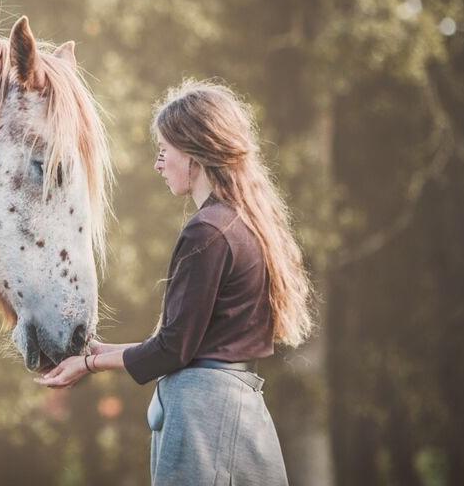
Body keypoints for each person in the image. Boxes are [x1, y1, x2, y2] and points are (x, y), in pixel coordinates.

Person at [35, 78, 314, 485]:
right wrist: (101, 351)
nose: (158, 164)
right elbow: (193, 344)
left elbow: (173, 350)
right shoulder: (242, 224)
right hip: (235, 410)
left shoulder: (208, 231)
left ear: (194, 154)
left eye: (164, 151)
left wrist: (89, 364)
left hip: (205, 418)